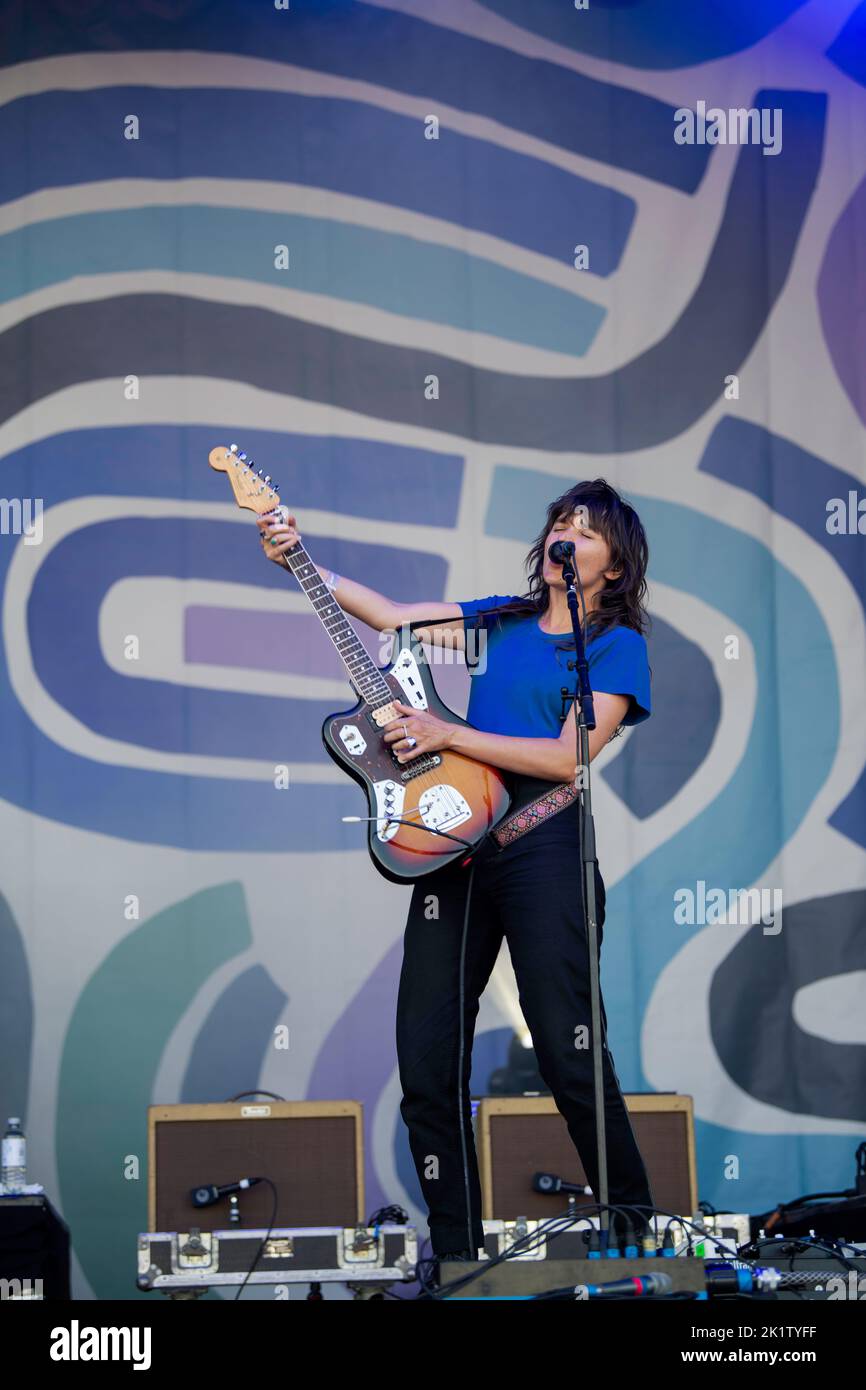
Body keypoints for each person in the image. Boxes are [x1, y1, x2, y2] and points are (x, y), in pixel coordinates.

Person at [258, 478, 655, 1269]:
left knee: (569, 1049)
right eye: (560, 520)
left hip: (546, 846)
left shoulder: (615, 645)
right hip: (460, 849)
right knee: (427, 1058)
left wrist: (446, 733)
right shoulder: (498, 623)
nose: (564, 533)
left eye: (586, 528)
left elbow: (566, 757)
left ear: (613, 566)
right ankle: (458, 1256)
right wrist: (300, 560)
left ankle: (636, 1234)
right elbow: (394, 618)